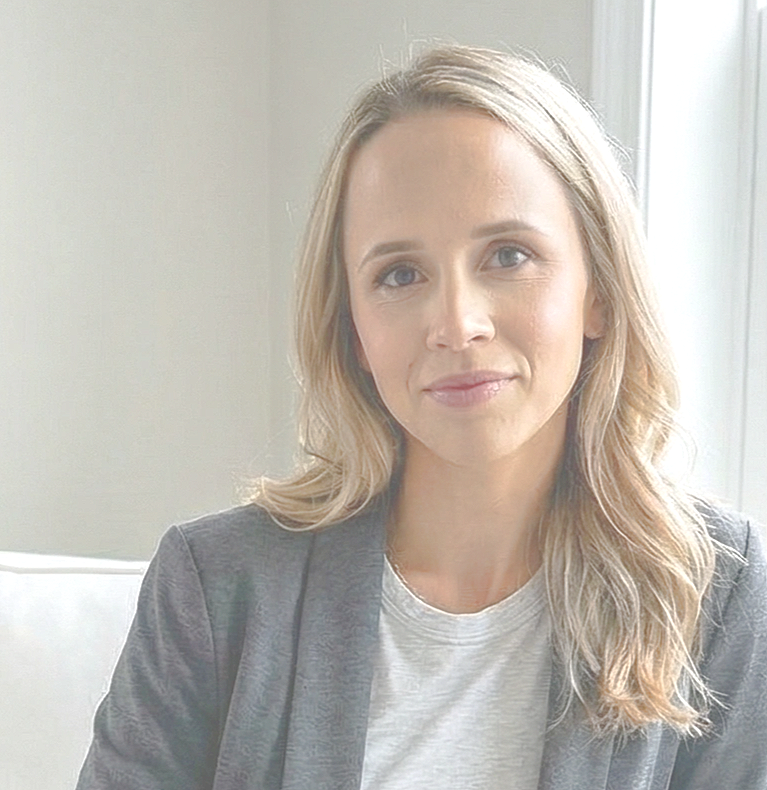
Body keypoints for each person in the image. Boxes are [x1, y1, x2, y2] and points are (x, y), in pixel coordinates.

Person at [76, 45, 767, 790]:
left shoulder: (715, 589)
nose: (455, 323)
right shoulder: (217, 585)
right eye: (399, 275)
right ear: (355, 332)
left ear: (596, 291)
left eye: (507, 255)